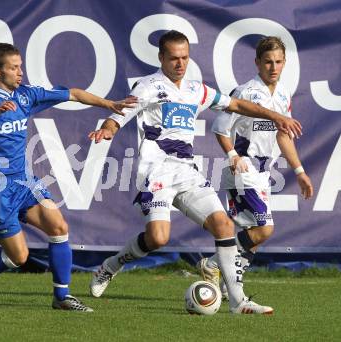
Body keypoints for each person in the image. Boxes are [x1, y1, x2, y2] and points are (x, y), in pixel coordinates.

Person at [88, 30, 302, 314]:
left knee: (224, 226)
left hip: (187, 171)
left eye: (185, 57)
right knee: (158, 238)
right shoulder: (148, 86)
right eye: (174, 58)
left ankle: (238, 301)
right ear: (161, 57)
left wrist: (275, 116)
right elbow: (120, 113)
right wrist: (108, 128)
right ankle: (111, 266)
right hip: (157, 172)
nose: (180, 63)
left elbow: (235, 104)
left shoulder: (196, 89)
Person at [0, 43, 135, 312]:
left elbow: (73, 93)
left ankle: (61, 297)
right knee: (18, 257)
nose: (20, 72)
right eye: (14, 68)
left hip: (25, 183)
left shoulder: (26, 95)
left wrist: (108, 104)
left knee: (58, 226)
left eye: (20, 66)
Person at [197, 36, 313, 300]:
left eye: (279, 62)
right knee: (264, 229)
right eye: (268, 62)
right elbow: (220, 128)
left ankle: (229, 281)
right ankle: (214, 264)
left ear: (285, 63)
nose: (273, 67)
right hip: (242, 171)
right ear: (257, 63)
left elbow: (283, 135)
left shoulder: (283, 94)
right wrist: (232, 155)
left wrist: (300, 172)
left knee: (256, 236)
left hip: (262, 175)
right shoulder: (245, 92)